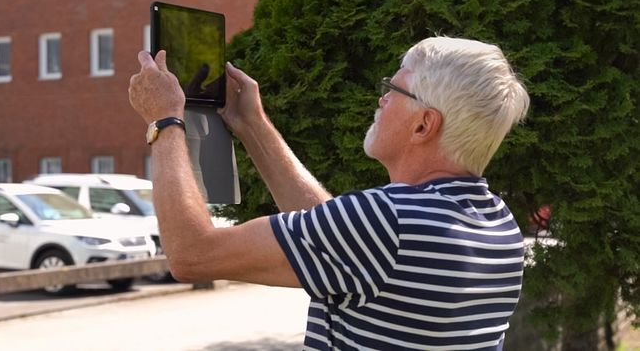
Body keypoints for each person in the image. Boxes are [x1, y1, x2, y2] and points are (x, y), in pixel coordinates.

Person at [128, 36, 530, 350]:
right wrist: (252, 124)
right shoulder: (499, 226)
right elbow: (342, 240)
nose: (382, 97)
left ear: (424, 125)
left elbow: (192, 254)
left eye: (395, 89)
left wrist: (164, 119)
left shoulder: (385, 222)